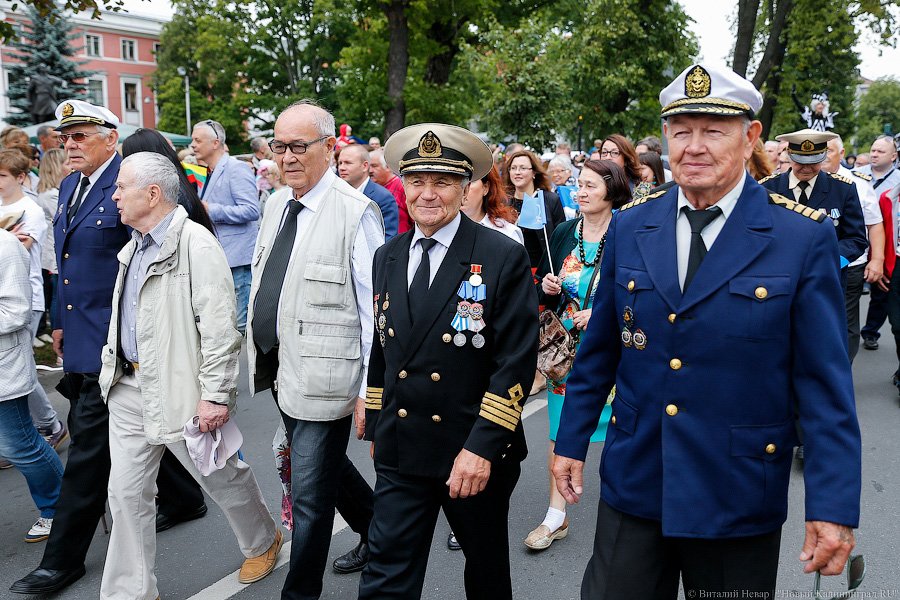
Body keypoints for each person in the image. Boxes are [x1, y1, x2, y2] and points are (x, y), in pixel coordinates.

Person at [552, 64, 861, 599]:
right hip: (637, 478)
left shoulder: (798, 237)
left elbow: (823, 385)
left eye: (713, 131)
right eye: (681, 131)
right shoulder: (632, 224)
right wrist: (571, 442)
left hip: (736, 493)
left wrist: (831, 506)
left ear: (750, 137)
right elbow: (600, 352)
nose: (693, 146)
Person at [11, 100, 201, 597]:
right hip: (81, 338)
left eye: (80, 136)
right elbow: (69, 264)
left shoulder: (130, 184)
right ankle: (184, 498)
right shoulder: (71, 185)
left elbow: (161, 258)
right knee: (134, 432)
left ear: (110, 138)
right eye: (65, 137)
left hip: (118, 346)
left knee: (88, 451)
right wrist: (59, 321)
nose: (69, 145)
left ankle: (62, 561)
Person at [359, 122, 538, 600]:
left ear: (465, 187)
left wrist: (481, 448)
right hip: (402, 445)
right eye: (417, 181)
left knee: (485, 574)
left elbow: (515, 362)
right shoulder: (388, 255)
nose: (427, 194)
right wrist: (377, 419)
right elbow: (384, 344)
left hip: (471, 449)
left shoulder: (500, 255)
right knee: (385, 573)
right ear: (403, 186)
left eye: (441, 182)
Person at [97, 152, 282, 599]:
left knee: (219, 474)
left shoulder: (197, 245)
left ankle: (263, 540)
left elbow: (219, 330)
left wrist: (215, 394)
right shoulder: (134, 244)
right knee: (125, 494)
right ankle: (131, 592)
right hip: (128, 387)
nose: (114, 196)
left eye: (121, 187)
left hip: (181, 388)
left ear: (152, 194)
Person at [247, 100, 379, 599]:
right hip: (282, 369)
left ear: (329, 148)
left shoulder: (355, 213)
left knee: (309, 493)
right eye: (279, 145)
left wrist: (369, 390)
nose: (287, 156)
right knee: (322, 467)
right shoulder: (278, 203)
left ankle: (299, 593)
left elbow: (373, 313)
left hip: (328, 379)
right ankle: (379, 532)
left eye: (299, 146)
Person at [526, 159, 630, 552]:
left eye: (590, 185)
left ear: (611, 190)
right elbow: (541, 284)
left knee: (625, 433)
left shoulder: (628, 232)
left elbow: (642, 292)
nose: (580, 192)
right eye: (579, 185)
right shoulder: (564, 231)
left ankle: (628, 515)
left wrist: (602, 313)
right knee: (561, 432)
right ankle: (556, 516)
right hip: (566, 354)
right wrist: (549, 286)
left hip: (616, 352)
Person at [0, 149, 68, 462]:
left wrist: (9, 238)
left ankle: (49, 425)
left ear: (20, 178)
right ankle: (24, 432)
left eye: (3, 176)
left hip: (25, 296)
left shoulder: (31, 209)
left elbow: (21, 245)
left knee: (19, 366)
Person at [0, 225, 64, 542]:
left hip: (4, 371)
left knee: (19, 445)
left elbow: (16, 312)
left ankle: (60, 508)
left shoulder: (5, 245)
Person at [761, 129, 867, 291]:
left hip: (826, 280)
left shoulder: (843, 189)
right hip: (779, 279)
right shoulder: (767, 188)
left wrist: (830, 260)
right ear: (789, 156)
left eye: (813, 163)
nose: (806, 168)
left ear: (822, 157)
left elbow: (856, 238)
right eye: (800, 162)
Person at [190, 119, 259, 333]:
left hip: (237, 260)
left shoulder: (236, 168)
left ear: (215, 143)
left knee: (238, 326)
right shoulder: (208, 171)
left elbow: (252, 210)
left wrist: (211, 209)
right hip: (221, 258)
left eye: (197, 140)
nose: (192, 145)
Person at [820, 135, 885, 361]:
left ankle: (841, 372)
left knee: (845, 321)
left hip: (849, 264)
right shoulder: (800, 180)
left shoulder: (858, 183)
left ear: (841, 153)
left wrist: (877, 260)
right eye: (820, 150)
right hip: (809, 264)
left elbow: (874, 224)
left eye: (829, 150)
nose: (823, 155)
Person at [860, 136, 900, 350]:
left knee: (881, 291)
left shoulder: (898, 181)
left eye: (880, 151)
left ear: (893, 156)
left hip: (884, 243)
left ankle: (870, 331)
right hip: (857, 242)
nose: (874, 154)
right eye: (873, 150)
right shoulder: (856, 175)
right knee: (848, 289)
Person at [503, 149, 566, 268]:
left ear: (534, 173)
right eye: (513, 168)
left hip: (540, 270)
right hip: (510, 268)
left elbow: (561, 239)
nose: (517, 172)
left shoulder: (550, 200)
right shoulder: (503, 202)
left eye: (523, 168)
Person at [338, 143, 399, 239]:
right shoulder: (336, 194)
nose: (342, 168)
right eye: (340, 163)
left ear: (365, 166)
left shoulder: (383, 197)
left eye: (348, 163)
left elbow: (388, 237)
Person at [461, 165, 524, 244]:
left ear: (485, 188)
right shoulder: (446, 230)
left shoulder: (507, 234)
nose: (463, 189)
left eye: (469, 181)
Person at [370, 148, 413, 233]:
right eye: (369, 166)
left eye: (374, 166)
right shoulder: (371, 188)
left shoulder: (402, 187)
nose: (370, 170)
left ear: (388, 167)